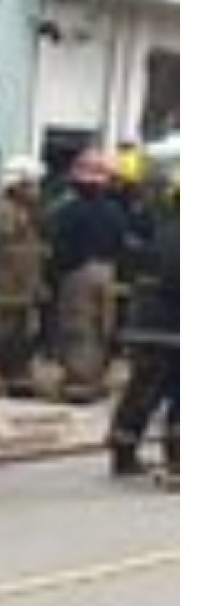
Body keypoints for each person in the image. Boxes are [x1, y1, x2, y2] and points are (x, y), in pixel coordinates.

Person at [106, 161, 179, 480]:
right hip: (174, 327)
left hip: (146, 324)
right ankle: (178, 461)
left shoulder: (160, 230)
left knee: (141, 389)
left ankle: (123, 452)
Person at [45, 148, 130, 403]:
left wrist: (54, 275)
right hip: (108, 274)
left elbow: (60, 248)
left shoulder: (69, 212)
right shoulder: (116, 212)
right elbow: (122, 244)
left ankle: (79, 381)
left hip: (78, 274)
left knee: (79, 327)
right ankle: (96, 378)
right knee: (102, 326)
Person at [0, 156, 48, 397]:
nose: (36, 190)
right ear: (18, 184)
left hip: (23, 287)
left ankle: (17, 374)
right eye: (32, 185)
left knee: (22, 335)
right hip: (0, 286)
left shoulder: (30, 212)